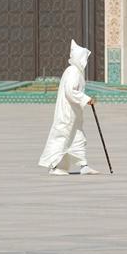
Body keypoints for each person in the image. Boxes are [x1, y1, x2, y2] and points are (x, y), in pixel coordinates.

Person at [38, 40, 100, 176]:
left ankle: (84, 166)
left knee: (78, 137)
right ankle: (54, 166)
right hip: (67, 113)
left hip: (74, 113)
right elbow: (70, 91)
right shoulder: (73, 71)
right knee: (62, 137)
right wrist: (86, 99)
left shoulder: (76, 71)